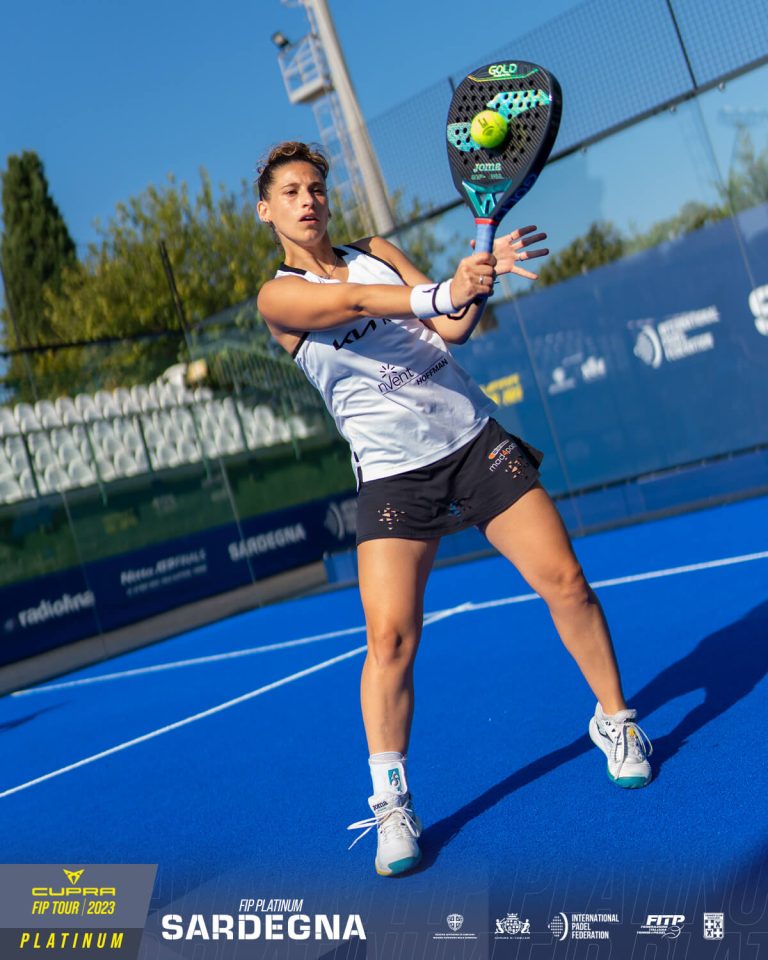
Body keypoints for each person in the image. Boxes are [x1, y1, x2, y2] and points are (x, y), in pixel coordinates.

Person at [256, 141, 653, 878]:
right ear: (267, 210)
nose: (308, 200)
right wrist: (444, 290)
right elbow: (353, 304)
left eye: (316, 188)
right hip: (392, 479)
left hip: (472, 441)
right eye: (291, 192)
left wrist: (477, 279)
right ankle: (391, 803)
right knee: (391, 640)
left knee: (567, 582)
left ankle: (615, 721)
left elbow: (453, 327)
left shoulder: (376, 251)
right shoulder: (277, 298)